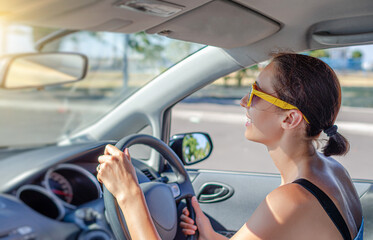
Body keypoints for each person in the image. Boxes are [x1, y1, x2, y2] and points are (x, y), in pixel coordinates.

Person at [96, 53, 364, 240]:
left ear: (290, 118)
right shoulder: (333, 171)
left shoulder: (292, 199)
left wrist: (129, 195)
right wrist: (211, 236)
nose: (244, 101)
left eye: (257, 94)